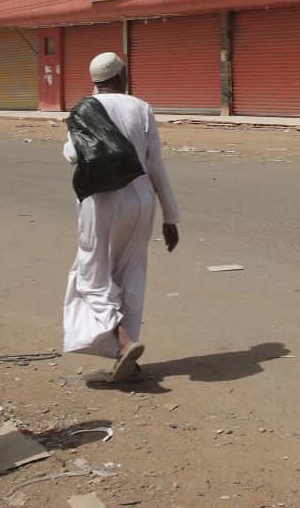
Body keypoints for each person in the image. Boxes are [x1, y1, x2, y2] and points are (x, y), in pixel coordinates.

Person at [62, 52, 179, 382]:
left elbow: (72, 153)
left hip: (103, 203)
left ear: (95, 80)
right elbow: (155, 163)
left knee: (91, 274)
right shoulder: (141, 107)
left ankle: (124, 342)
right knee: (131, 276)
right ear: (122, 76)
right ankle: (128, 362)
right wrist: (171, 216)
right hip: (142, 202)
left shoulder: (86, 108)